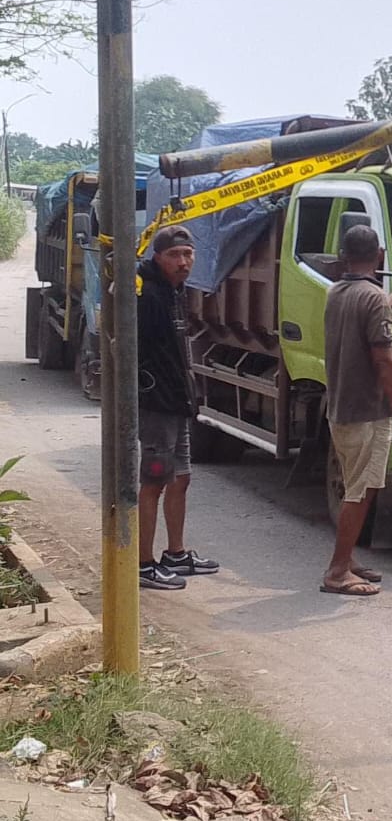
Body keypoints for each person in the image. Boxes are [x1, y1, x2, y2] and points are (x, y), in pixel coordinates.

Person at [323, 224, 392, 597]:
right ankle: (337, 571)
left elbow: (369, 316)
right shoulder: (372, 298)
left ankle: (347, 559)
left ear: (344, 256)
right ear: (379, 255)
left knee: (357, 486)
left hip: (341, 409)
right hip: (367, 412)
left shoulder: (336, 292)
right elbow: (384, 362)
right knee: (359, 492)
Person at [137, 224, 220, 591]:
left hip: (177, 402)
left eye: (188, 254)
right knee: (154, 481)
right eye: (174, 255)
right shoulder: (148, 294)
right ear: (158, 257)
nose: (183, 262)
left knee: (180, 478)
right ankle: (143, 563)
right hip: (157, 404)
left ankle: (175, 553)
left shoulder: (174, 290)